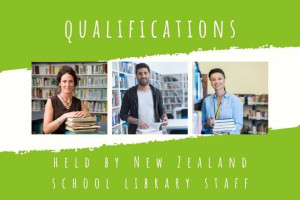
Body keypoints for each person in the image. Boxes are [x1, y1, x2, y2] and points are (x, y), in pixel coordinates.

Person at [120, 63, 168, 134]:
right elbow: (123, 115)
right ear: (136, 75)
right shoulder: (129, 93)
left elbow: (161, 110)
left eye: (145, 73)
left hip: (155, 131)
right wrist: (137, 121)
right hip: (136, 132)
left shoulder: (157, 92)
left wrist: (164, 117)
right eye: (140, 73)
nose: (143, 76)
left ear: (149, 74)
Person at [43, 66, 91, 134]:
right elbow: (46, 130)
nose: (67, 85)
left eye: (71, 81)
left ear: (74, 84)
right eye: (64, 81)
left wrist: (85, 114)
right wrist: (64, 116)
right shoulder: (51, 101)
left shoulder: (78, 102)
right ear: (59, 83)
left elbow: (92, 121)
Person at [201, 68, 243, 134]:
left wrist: (224, 131)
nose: (217, 82)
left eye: (220, 79)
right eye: (213, 79)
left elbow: (238, 125)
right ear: (210, 82)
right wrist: (207, 124)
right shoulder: (206, 101)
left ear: (224, 80)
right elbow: (202, 125)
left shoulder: (235, 100)